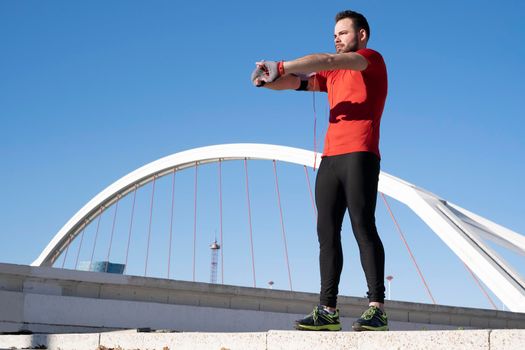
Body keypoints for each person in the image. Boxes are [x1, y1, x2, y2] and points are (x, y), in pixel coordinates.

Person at [251, 10, 388, 332]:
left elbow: (325, 60)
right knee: (326, 234)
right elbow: (293, 83)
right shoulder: (334, 76)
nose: (337, 38)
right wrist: (266, 80)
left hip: (360, 154)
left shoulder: (370, 60)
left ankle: (377, 308)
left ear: (362, 35)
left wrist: (281, 65)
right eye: (334, 34)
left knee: (362, 226)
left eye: (343, 32)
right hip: (330, 159)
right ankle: (328, 310)